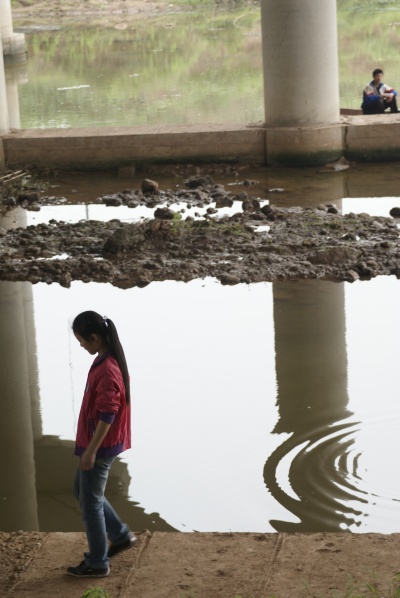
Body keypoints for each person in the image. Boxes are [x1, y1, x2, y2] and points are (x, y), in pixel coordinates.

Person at [67, 311, 135, 578]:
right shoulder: (105, 360)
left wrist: (92, 450)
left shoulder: (107, 369)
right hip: (100, 444)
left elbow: (108, 412)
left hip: (100, 446)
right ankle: (119, 536)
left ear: (94, 337)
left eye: (82, 340)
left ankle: (98, 562)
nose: (81, 345)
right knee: (83, 492)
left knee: (90, 504)